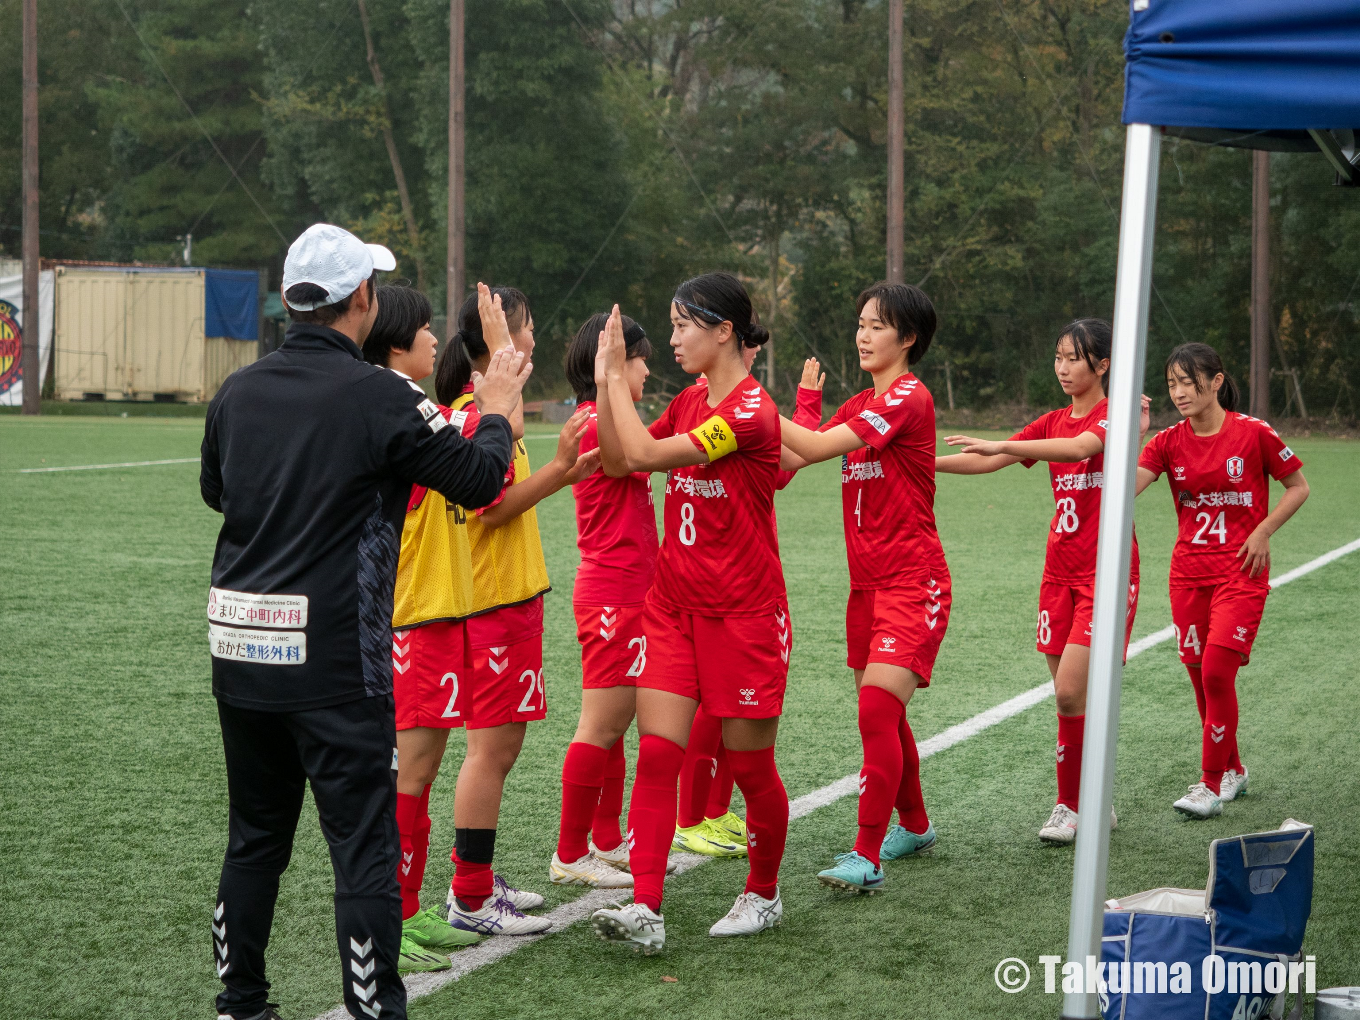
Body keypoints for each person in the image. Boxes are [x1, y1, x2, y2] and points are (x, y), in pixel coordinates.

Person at [201, 224, 528, 1020]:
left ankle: (240, 1003)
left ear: (287, 300)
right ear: (362, 300)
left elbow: (219, 492)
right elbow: (482, 480)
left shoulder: (237, 390)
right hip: (333, 658)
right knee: (363, 851)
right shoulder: (381, 395)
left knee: (255, 838)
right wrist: (495, 404)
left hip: (241, 645)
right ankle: (375, 1006)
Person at [589, 272, 791, 952]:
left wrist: (618, 374)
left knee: (752, 768)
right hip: (674, 607)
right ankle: (646, 906)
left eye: (682, 326)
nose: (672, 339)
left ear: (724, 330)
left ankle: (763, 892)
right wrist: (603, 383)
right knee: (658, 756)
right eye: (670, 327)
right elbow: (622, 462)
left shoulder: (748, 412)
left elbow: (644, 451)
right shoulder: (693, 400)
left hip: (745, 614)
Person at [935, 319, 1149, 845]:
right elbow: (993, 460)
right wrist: (920, 464)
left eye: (1073, 357)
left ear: (1101, 365)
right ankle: (1095, 797)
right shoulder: (1054, 419)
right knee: (1069, 695)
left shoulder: (1114, 417)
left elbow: (1079, 450)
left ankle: (1069, 806)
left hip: (1107, 571)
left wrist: (996, 442)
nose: (1062, 367)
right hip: (1059, 572)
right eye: (1057, 356)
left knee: (1071, 692)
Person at [427, 287, 600, 935]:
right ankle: (469, 895)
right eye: (520, 330)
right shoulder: (480, 413)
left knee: (498, 747)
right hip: (492, 602)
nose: (529, 338)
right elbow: (490, 509)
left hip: (511, 599)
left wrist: (562, 472)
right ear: (497, 343)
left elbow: (505, 499)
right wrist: (559, 469)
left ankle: (474, 877)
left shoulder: (489, 412)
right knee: (489, 750)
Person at [778, 281, 948, 894]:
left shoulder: (909, 397)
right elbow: (789, 465)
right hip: (867, 587)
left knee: (878, 708)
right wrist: (799, 406)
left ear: (908, 338)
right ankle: (917, 824)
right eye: (860, 323)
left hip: (913, 580)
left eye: (877, 325)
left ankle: (866, 854)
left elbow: (819, 445)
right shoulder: (859, 402)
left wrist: (748, 401)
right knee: (884, 715)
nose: (862, 334)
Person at [1135, 343, 1308, 819]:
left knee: (1216, 672)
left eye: (1187, 382)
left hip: (1240, 574)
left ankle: (1208, 784)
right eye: (1172, 384)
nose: (1179, 392)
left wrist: (1263, 530)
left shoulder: (1253, 433)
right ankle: (1232, 770)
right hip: (1187, 575)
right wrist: (1136, 435)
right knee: (1200, 677)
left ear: (1215, 381)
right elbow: (1123, 488)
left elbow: (1299, 487)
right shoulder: (1168, 440)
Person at [674, 354, 827, 858]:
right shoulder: (711, 403)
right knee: (707, 714)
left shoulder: (736, 403)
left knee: (723, 713)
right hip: (718, 588)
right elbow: (790, 462)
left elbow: (778, 465)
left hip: (722, 583)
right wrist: (807, 411)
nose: (757, 351)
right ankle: (691, 817)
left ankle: (710, 815)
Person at [549, 312, 656, 889]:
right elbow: (626, 460)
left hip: (626, 589)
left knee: (614, 725)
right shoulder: (596, 422)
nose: (646, 371)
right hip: (615, 593)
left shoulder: (607, 417)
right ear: (613, 363)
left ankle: (607, 839)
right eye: (638, 359)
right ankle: (571, 851)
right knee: (602, 724)